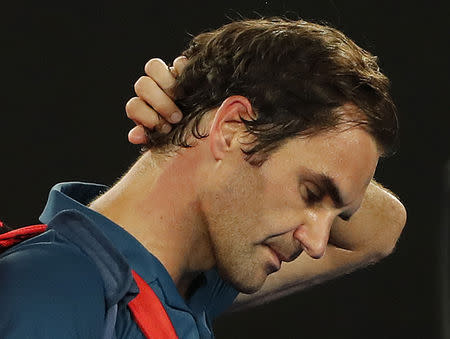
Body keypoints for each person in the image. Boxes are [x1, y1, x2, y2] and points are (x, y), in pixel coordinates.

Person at [0, 18, 406, 338]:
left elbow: (382, 230)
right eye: (312, 192)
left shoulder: (185, 281)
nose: (318, 243)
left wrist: (202, 107)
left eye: (334, 212)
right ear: (231, 130)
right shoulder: (49, 292)